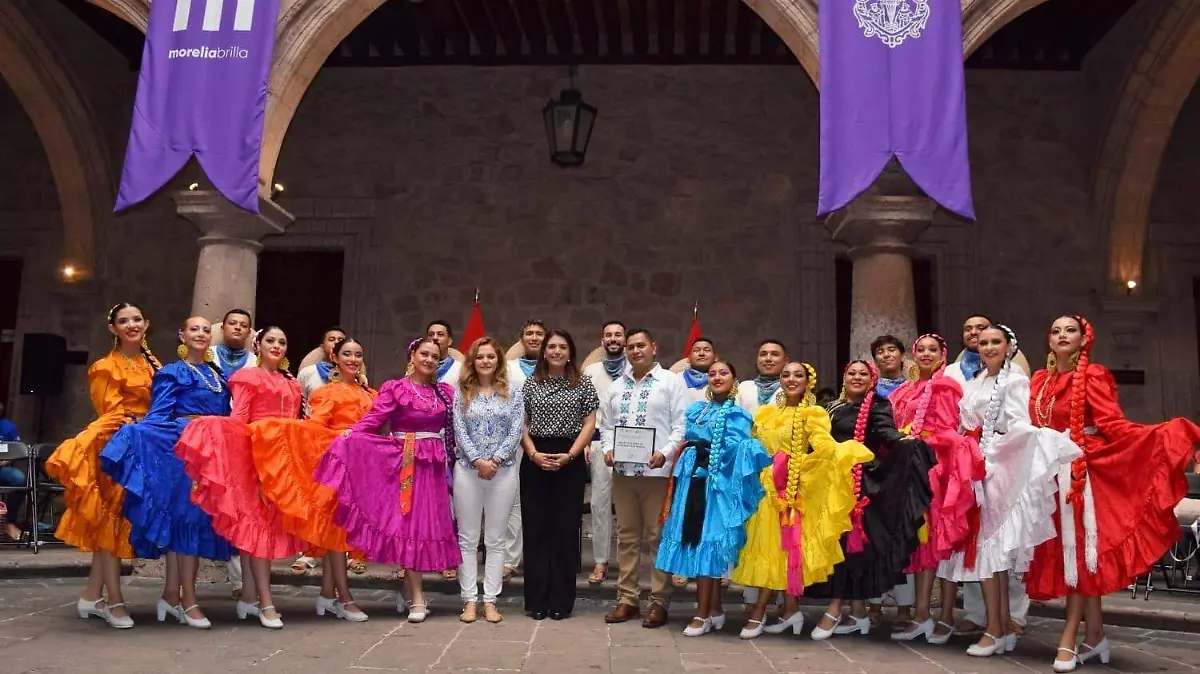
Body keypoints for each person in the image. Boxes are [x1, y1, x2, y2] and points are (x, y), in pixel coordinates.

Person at [1025, 315, 1200, 672]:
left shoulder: (1092, 375)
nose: (1062, 335)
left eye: (1069, 330)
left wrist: (1160, 436)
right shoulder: (1041, 380)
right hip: (1047, 475)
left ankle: (1069, 637)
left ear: (1083, 338)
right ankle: (1097, 636)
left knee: (1081, 557)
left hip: (1083, 474)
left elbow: (1112, 424)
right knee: (1076, 556)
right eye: (1056, 330)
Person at [937, 324, 1081, 657]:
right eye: (983, 342)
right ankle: (997, 625)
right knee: (986, 552)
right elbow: (965, 422)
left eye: (995, 342)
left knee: (992, 551)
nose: (988, 347)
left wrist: (1031, 443)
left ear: (1009, 346)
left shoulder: (1015, 379)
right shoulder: (974, 382)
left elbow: (1017, 422)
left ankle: (996, 629)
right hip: (971, 467)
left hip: (996, 466)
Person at [99, 316, 235, 629]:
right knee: (186, 520)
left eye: (205, 330)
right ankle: (189, 600)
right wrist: (136, 434)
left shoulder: (217, 374)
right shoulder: (172, 371)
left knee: (195, 521)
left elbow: (226, 415)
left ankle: (171, 596)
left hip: (212, 454)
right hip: (184, 452)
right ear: (182, 335)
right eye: (193, 329)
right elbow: (159, 415)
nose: (200, 334)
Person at [315, 337, 461, 623]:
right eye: (424, 354)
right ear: (413, 355)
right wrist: (351, 435)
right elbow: (374, 419)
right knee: (412, 528)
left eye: (435, 356)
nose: (429, 360)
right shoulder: (396, 388)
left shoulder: (444, 392)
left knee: (427, 528)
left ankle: (407, 593)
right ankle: (418, 597)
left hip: (433, 466)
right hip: (405, 463)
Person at [176, 327, 306, 629]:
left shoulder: (292, 383)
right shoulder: (247, 377)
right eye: (270, 341)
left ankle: (249, 597)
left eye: (283, 342)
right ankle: (266, 601)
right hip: (257, 457)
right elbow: (240, 418)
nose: (277, 346)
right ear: (257, 345)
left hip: (284, 461)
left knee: (266, 526)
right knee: (258, 527)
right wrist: (213, 429)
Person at [733, 362, 872, 639]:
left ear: (809, 381)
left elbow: (823, 446)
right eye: (786, 375)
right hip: (763, 489)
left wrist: (822, 460)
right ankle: (790, 610)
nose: (791, 379)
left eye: (798, 375)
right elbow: (754, 445)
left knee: (780, 549)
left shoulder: (813, 413)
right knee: (769, 546)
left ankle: (759, 611)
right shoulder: (765, 413)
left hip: (790, 490)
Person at [46, 303, 160, 629]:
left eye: (137, 319)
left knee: (115, 525)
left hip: (146, 448)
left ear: (146, 323)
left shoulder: (153, 365)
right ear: (113, 329)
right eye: (123, 321)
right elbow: (112, 415)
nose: (131, 325)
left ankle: (91, 595)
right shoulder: (104, 367)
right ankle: (115, 601)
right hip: (116, 449)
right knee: (110, 525)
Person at [806, 360, 935, 641]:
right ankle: (859, 614)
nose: (856, 377)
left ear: (872, 379)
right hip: (828, 484)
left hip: (858, 485)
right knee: (835, 547)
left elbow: (886, 433)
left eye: (863, 373)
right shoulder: (830, 407)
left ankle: (834, 608)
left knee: (847, 548)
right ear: (844, 376)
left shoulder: (877, 405)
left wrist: (906, 443)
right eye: (851, 372)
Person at [260, 336, 376, 621]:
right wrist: (341, 437)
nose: (353, 359)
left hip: (360, 467)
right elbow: (315, 428)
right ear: (334, 358)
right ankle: (345, 598)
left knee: (343, 532)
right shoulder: (328, 393)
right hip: (337, 467)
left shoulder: (369, 393)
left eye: (358, 354)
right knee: (337, 532)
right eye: (346, 354)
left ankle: (327, 595)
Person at [656, 360, 770, 637]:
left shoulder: (738, 415)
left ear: (734, 379)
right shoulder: (696, 409)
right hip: (691, 479)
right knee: (693, 539)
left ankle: (702, 613)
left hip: (716, 485)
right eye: (712, 373)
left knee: (708, 541)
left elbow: (738, 449)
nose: (717, 377)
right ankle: (715, 608)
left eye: (724, 373)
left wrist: (717, 458)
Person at [888, 335, 981, 643]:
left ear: (944, 354)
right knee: (919, 541)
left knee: (938, 540)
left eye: (933, 350)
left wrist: (923, 446)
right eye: (921, 349)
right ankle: (923, 613)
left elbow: (949, 428)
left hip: (935, 468)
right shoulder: (906, 389)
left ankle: (939, 615)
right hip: (908, 467)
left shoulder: (947, 387)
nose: (926, 354)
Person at [600, 328, 687, 628]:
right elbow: (607, 425)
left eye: (641, 345)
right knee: (626, 537)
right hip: (624, 473)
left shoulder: (670, 383)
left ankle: (659, 601)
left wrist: (665, 453)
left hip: (657, 472)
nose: (635, 351)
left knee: (656, 537)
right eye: (630, 347)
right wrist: (609, 449)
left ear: (653, 347)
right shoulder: (617, 386)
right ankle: (627, 599)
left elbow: (680, 426)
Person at [520, 330, 598, 620]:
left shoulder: (583, 383)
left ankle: (561, 602)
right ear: (544, 352)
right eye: (550, 346)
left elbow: (590, 423)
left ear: (570, 351)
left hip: (570, 457)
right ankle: (537, 600)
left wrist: (571, 455)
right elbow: (522, 424)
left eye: (562, 346)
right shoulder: (530, 384)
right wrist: (533, 454)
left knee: (565, 531)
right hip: (535, 457)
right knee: (537, 530)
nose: (555, 351)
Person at [453, 337, 525, 624]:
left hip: (502, 471)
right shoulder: (462, 393)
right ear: (473, 361)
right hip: (468, 472)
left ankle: (491, 600)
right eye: (480, 357)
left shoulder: (513, 392)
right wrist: (477, 460)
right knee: (468, 539)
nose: (485, 361)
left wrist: (494, 460)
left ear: (498, 361)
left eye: (490, 357)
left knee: (496, 540)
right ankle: (469, 600)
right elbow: (458, 428)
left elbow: (516, 429)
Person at [580, 320, 627, 586]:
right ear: (602, 340)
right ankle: (600, 560)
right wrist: (585, 441)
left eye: (618, 335)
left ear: (625, 339)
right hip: (599, 443)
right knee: (599, 503)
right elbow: (583, 410)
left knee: (628, 505)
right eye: (608, 334)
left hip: (633, 444)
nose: (613, 339)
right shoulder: (590, 371)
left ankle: (626, 562)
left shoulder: (636, 369)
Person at [501, 319, 546, 583]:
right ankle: (510, 559)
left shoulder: (554, 368)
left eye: (539, 334)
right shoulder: (508, 368)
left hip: (547, 442)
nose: (534, 337)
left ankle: (540, 557)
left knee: (542, 501)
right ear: (521, 338)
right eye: (529, 333)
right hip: (514, 441)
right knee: (514, 501)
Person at [735, 340, 787, 413]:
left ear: (786, 361)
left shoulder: (790, 389)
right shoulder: (743, 387)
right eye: (763, 354)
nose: (768, 359)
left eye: (775, 354)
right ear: (757, 361)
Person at [0, 401, 26, 540]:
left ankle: (9, 521)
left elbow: (16, 450)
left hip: (1, 468)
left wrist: (5, 461)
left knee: (19, 478)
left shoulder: (8, 427)